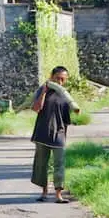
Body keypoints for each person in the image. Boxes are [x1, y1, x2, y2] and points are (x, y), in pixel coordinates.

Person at [31, 66, 79, 203]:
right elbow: (36, 108)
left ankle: (58, 194)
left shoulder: (66, 95)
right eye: (57, 78)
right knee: (41, 164)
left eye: (63, 79)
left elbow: (66, 119)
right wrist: (44, 93)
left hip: (59, 134)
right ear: (51, 77)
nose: (60, 81)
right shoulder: (42, 90)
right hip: (42, 133)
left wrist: (75, 112)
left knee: (59, 164)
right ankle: (44, 192)